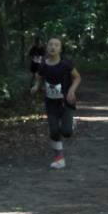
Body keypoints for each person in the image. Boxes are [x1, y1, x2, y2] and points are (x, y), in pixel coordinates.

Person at [30, 37, 80, 169]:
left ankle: (70, 123)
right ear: (47, 48)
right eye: (50, 45)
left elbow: (77, 77)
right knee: (53, 132)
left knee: (67, 132)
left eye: (56, 45)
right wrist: (36, 87)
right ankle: (59, 158)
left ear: (60, 49)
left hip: (66, 102)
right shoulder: (43, 65)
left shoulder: (66, 64)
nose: (53, 47)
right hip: (51, 103)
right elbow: (38, 78)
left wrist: (71, 91)